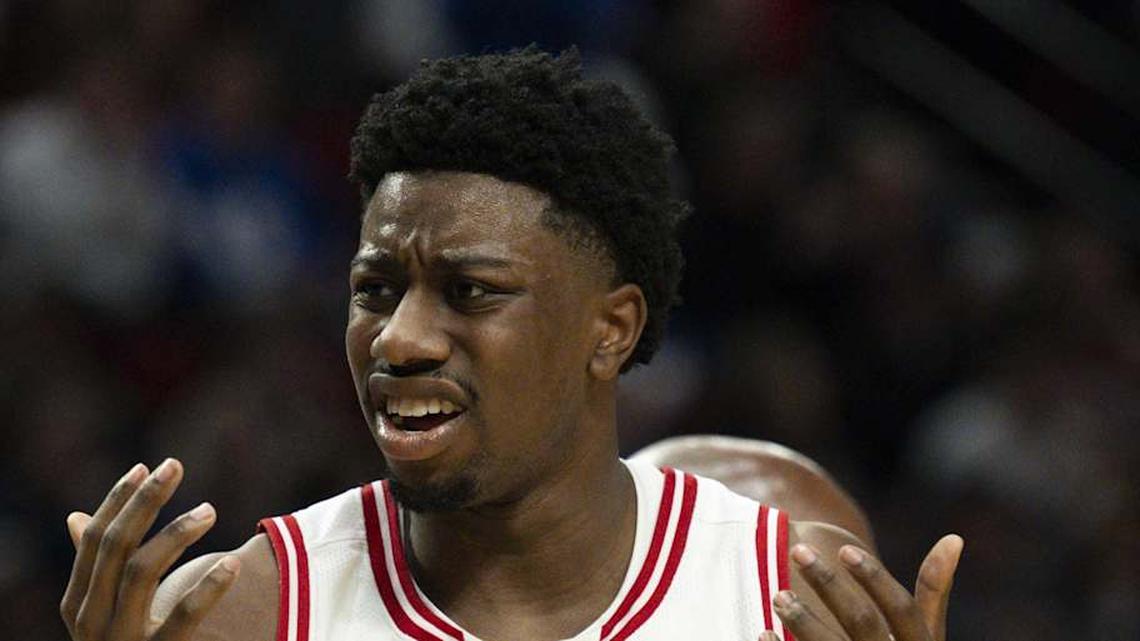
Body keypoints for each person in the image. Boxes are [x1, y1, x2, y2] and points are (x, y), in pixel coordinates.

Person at [59, 47, 963, 641]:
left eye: (471, 291)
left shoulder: (788, 594)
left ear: (611, 329)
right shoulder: (246, 610)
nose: (401, 338)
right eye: (376, 290)